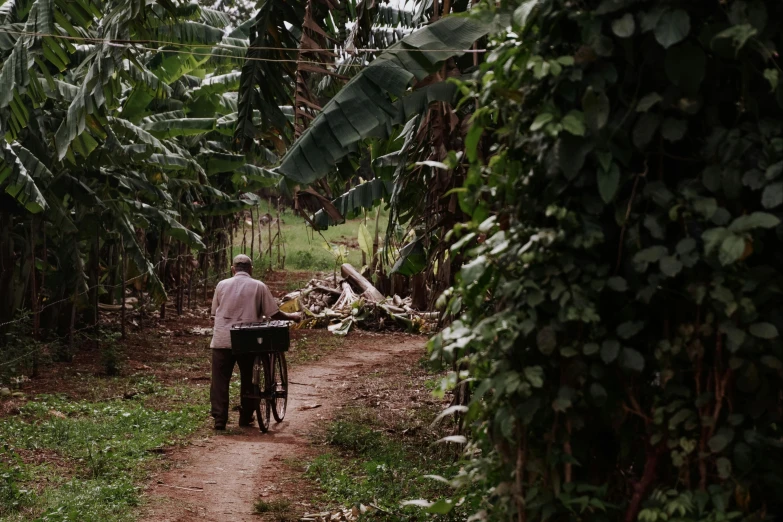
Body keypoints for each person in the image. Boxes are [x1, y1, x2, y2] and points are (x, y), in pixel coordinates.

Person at [209, 254, 301, 430]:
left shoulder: (221, 285)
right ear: (250, 269)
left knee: (220, 380)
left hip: (223, 339)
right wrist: (292, 317)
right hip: (247, 340)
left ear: (233, 269)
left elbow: (215, 311)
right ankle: (246, 416)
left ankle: (219, 418)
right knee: (249, 378)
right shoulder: (259, 286)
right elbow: (273, 313)